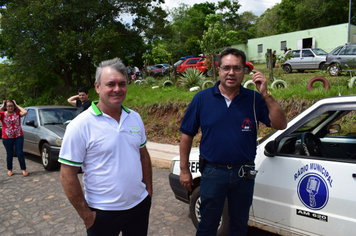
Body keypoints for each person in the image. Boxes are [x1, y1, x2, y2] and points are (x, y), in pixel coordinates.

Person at [179, 48, 287, 236]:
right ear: (218, 70)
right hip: (213, 172)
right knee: (207, 225)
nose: (231, 73)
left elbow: (280, 124)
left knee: (239, 226)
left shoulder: (254, 99)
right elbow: (186, 134)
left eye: (237, 68)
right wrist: (183, 169)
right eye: (226, 68)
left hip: (243, 174)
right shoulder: (202, 99)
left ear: (244, 71)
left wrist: (266, 94)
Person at [59, 57, 152, 236]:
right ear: (97, 87)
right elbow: (67, 174)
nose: (117, 89)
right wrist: (87, 216)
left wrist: (148, 192)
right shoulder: (80, 125)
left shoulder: (135, 118)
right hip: (102, 213)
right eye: (110, 84)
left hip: (139, 207)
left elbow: (143, 156)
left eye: (122, 84)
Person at [0, 100, 28, 177]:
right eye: (8, 106)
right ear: (6, 107)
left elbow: (25, 112)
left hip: (18, 136)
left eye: (12, 106)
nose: (10, 107)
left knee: (20, 153)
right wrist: (2, 107)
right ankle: (10, 170)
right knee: (10, 154)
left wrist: (17, 105)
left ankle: (23, 169)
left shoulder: (17, 113)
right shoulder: (2, 114)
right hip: (7, 137)